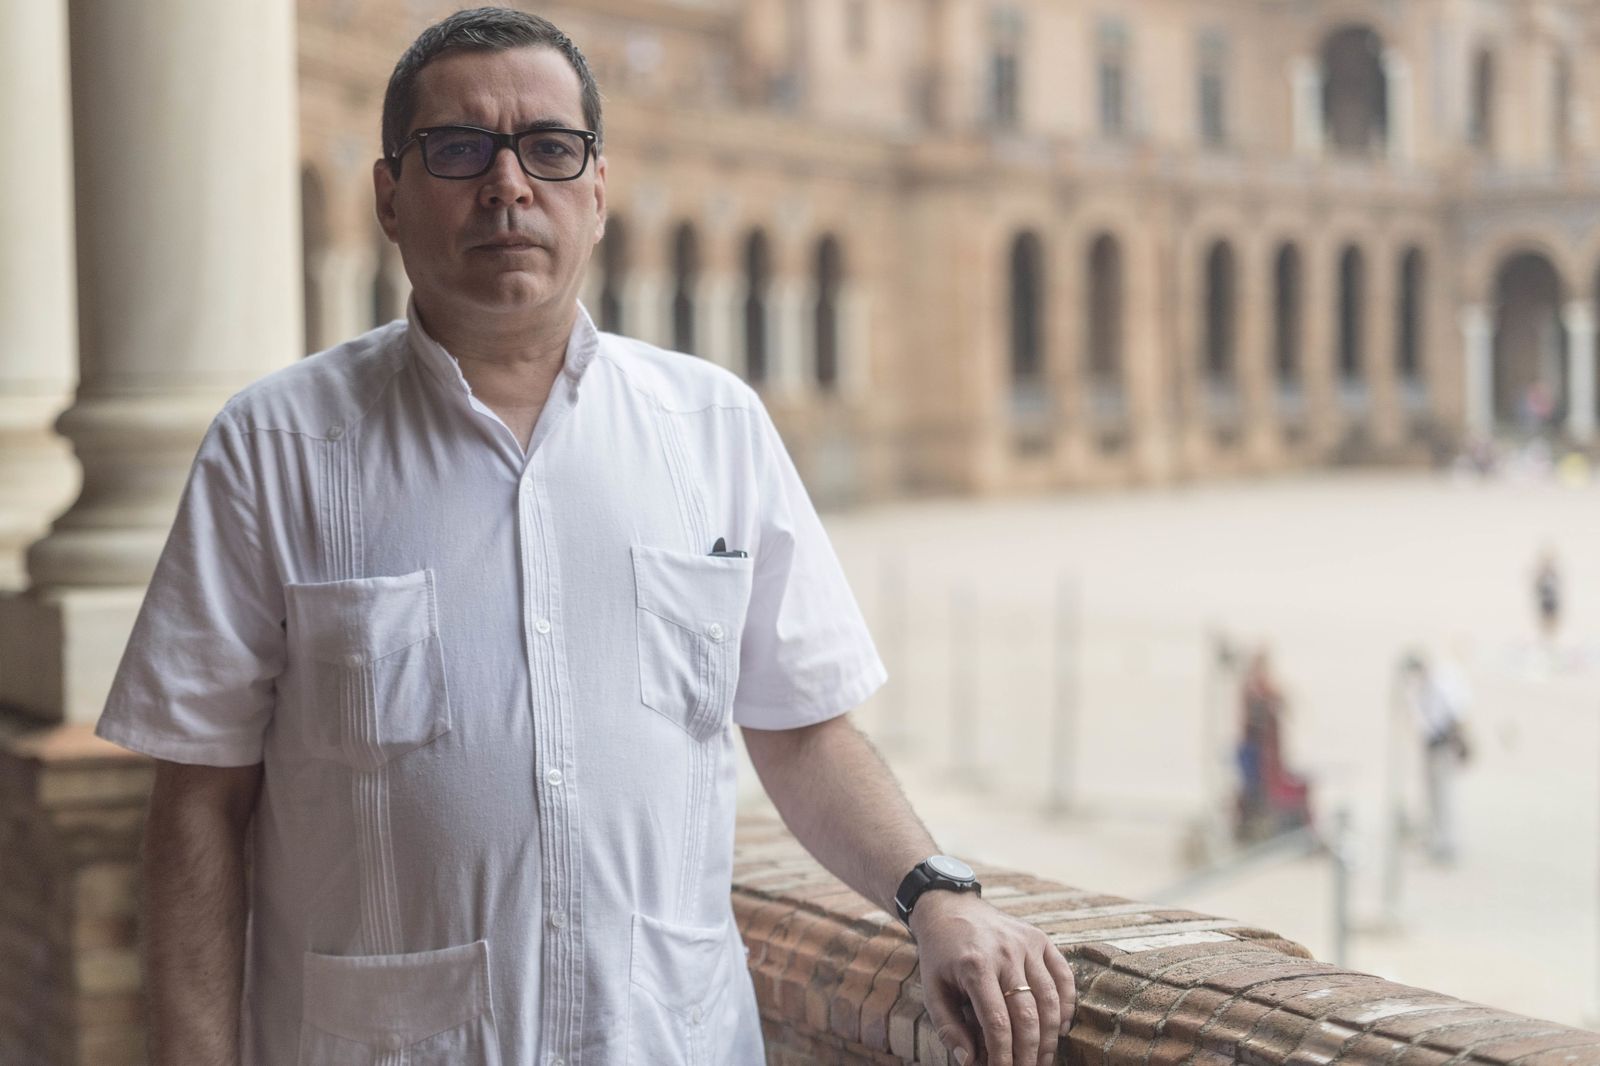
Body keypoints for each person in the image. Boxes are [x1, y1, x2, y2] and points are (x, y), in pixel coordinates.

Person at [92, 8, 1074, 1065]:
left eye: (550, 150)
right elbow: (200, 798)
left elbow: (800, 728)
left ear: (598, 194)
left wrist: (935, 893)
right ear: (388, 195)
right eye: (459, 149)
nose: (508, 185)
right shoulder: (276, 446)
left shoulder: (713, 429)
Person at [1400, 653, 1472, 864]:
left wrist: (1458, 741)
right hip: (1430, 745)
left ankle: (1446, 843)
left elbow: (1458, 714)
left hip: (1444, 744)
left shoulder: (1442, 685)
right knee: (1431, 794)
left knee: (1444, 795)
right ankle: (1434, 838)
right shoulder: (1420, 689)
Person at [1234, 649, 1311, 843]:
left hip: (1266, 759)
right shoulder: (1255, 691)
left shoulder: (1261, 691)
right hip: (1258, 759)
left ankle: (1301, 833)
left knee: (1297, 784)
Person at [1533, 547, 1562, 647]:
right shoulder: (1541, 574)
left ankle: (1552, 643)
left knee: (1552, 623)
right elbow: (1537, 588)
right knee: (1545, 622)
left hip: (1552, 602)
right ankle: (1546, 643)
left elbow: (1558, 588)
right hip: (1545, 602)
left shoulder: (1554, 573)